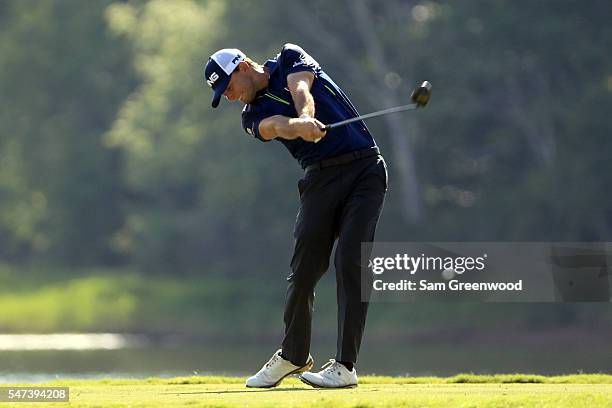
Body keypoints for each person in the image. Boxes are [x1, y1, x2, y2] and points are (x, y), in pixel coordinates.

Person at [203, 43, 387, 389]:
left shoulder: (290, 56)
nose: (228, 97)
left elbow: (300, 87)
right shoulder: (250, 116)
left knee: (350, 260)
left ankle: (345, 367)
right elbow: (274, 126)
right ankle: (293, 355)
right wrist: (296, 125)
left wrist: (306, 116)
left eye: (228, 87)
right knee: (304, 270)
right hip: (320, 178)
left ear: (243, 66)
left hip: (365, 169)